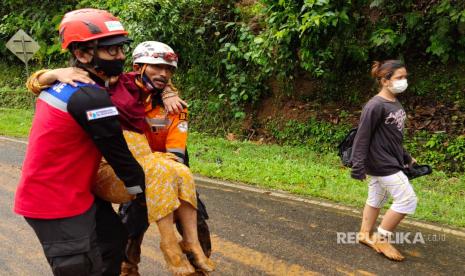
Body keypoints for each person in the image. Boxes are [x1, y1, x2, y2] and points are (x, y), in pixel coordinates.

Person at [27, 41, 215, 275]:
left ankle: (194, 255)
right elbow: (57, 83)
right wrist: (52, 73)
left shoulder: (174, 106)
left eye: (169, 70)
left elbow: (176, 153)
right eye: (157, 67)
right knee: (128, 229)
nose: (164, 74)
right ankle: (129, 267)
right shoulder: (118, 87)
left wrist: (167, 93)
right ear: (138, 67)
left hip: (164, 167)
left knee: (193, 212)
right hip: (127, 169)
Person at [14, 8, 146, 276]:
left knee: (112, 241)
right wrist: (140, 192)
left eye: (121, 48)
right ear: (82, 53)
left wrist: (47, 74)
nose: (120, 56)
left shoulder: (68, 82)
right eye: (111, 51)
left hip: (77, 191)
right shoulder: (89, 96)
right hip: (55, 202)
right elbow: (117, 152)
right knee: (81, 267)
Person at [351, 60, 418, 261]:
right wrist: (357, 166)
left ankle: (364, 234)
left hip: (390, 159)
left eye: (405, 77)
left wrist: (406, 157)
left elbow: (392, 136)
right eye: (399, 78)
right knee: (407, 199)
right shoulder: (375, 105)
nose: (403, 81)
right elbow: (362, 137)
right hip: (382, 163)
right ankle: (382, 238)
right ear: (384, 81)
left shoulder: (394, 102)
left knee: (377, 198)